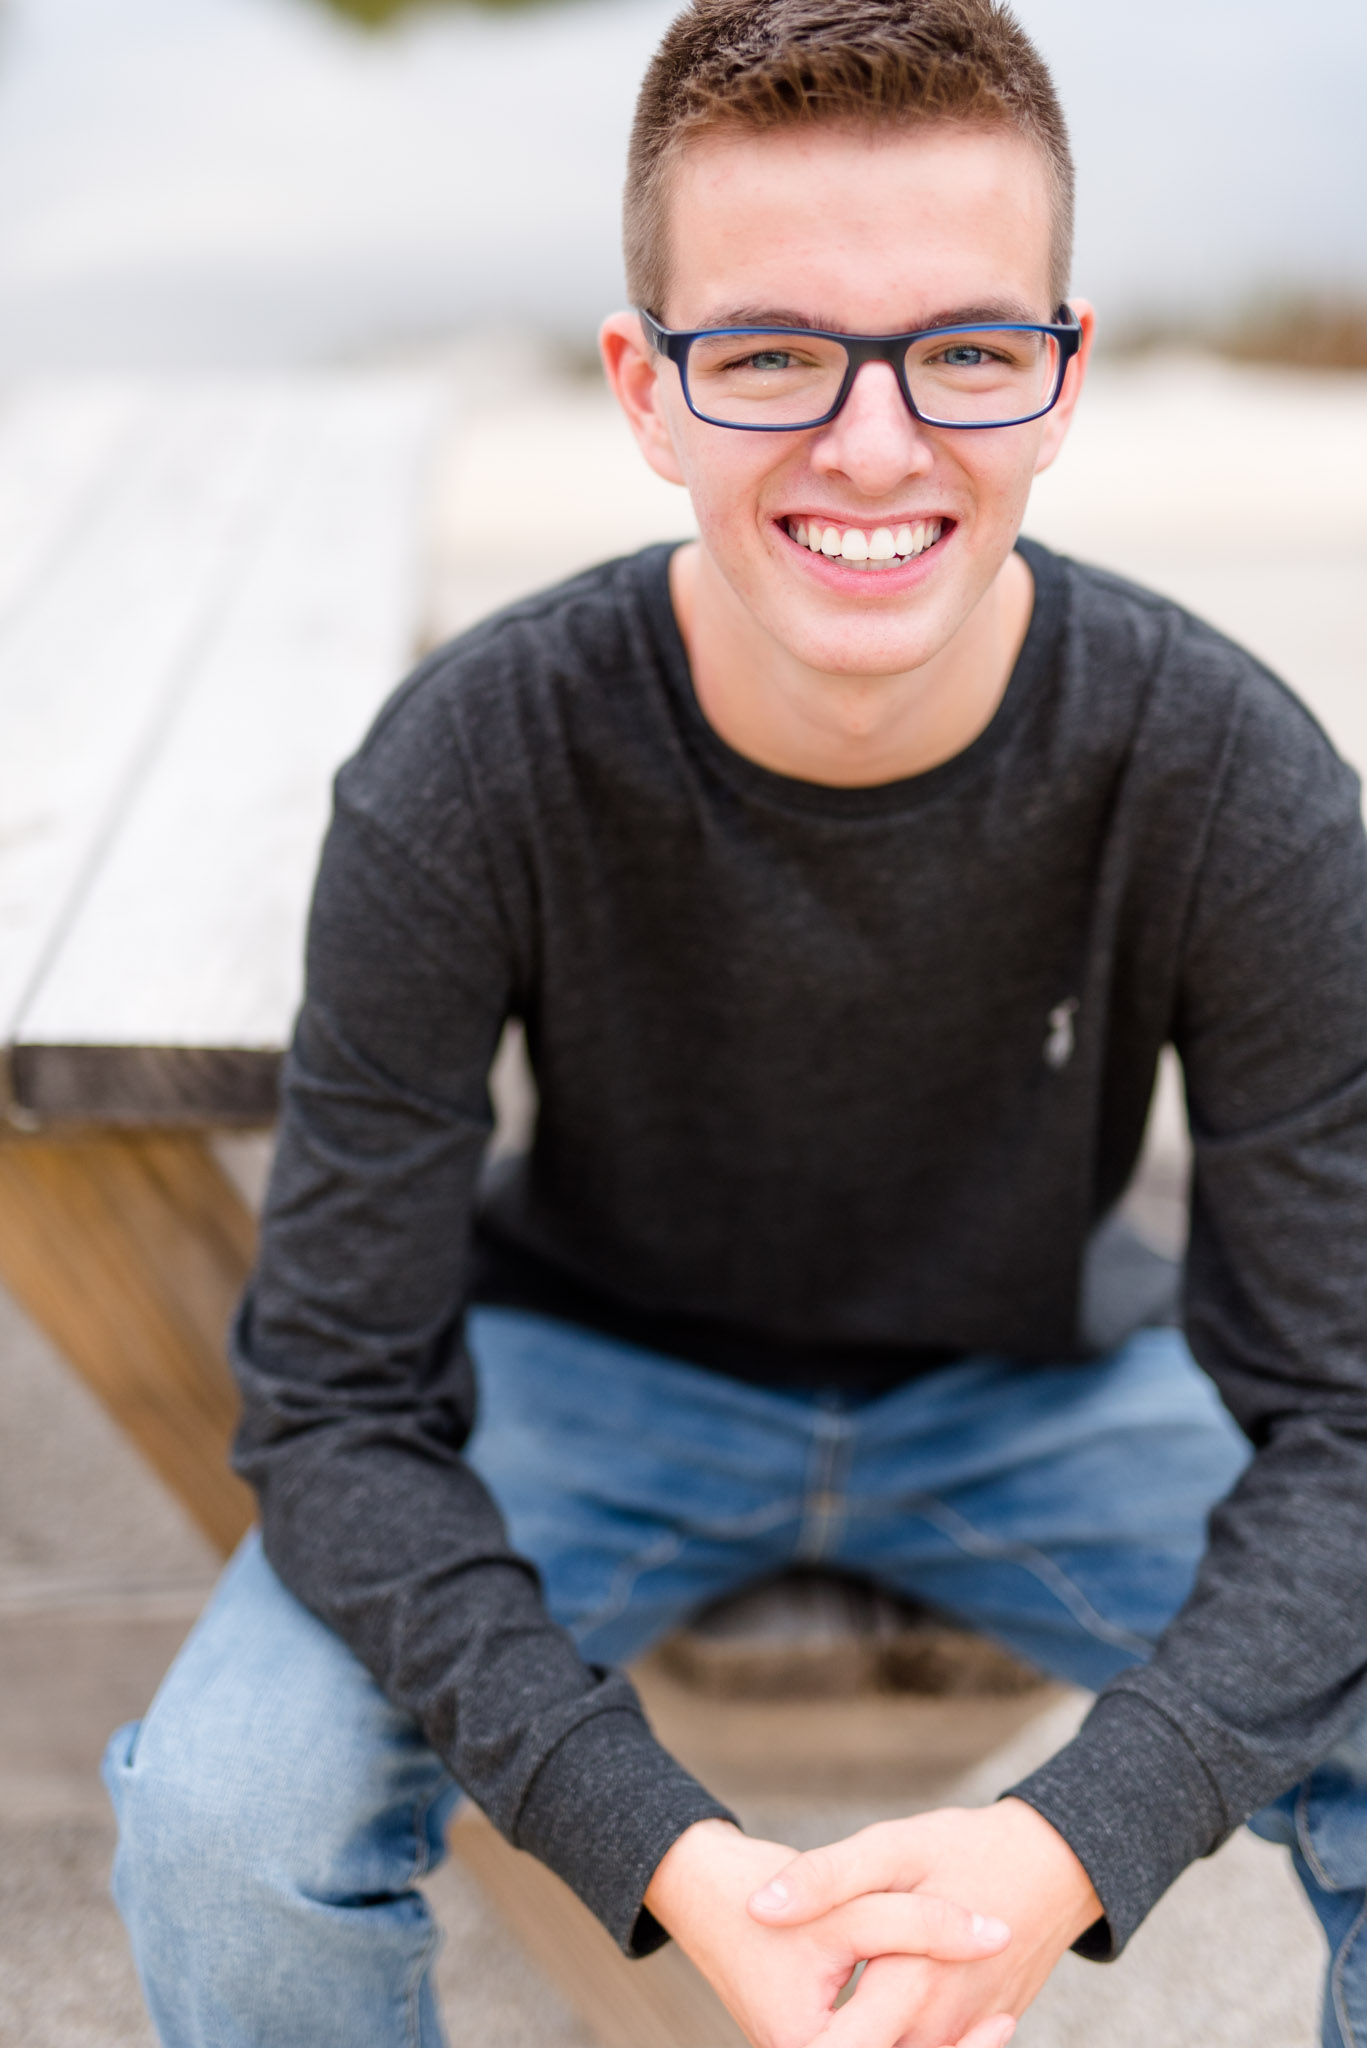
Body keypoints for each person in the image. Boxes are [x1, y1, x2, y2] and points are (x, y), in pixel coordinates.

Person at [104, 3, 1367, 2045]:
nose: (874, 445)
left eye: (964, 348)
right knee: (231, 1820)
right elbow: (335, 1402)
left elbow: (1349, 1414)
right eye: (772, 352)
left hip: (1038, 1387)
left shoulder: (1232, 774)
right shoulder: (472, 763)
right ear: (647, 388)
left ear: (1063, 377)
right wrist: (670, 1854)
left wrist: (1071, 1843)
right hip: (581, 1384)